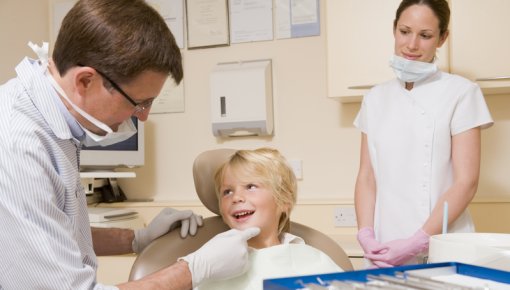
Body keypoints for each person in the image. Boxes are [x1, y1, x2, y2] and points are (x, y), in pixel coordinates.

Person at [0, 0, 259, 289]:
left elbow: (55, 235)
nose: (144, 117)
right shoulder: (17, 148)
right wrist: (194, 269)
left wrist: (137, 238)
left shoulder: (52, 120)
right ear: (85, 81)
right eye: (139, 103)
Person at [353, 0, 494, 268]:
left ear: (442, 38)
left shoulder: (462, 93)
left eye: (425, 35)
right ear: (394, 30)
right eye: (404, 31)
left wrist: (419, 240)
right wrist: (366, 233)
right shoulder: (374, 98)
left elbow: (466, 182)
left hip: (444, 244)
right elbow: (367, 176)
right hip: (384, 248)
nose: (412, 45)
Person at [196, 148, 343, 290]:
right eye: (227, 192)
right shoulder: (215, 265)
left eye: (250, 186)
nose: (236, 197)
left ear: (284, 200)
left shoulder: (312, 259)